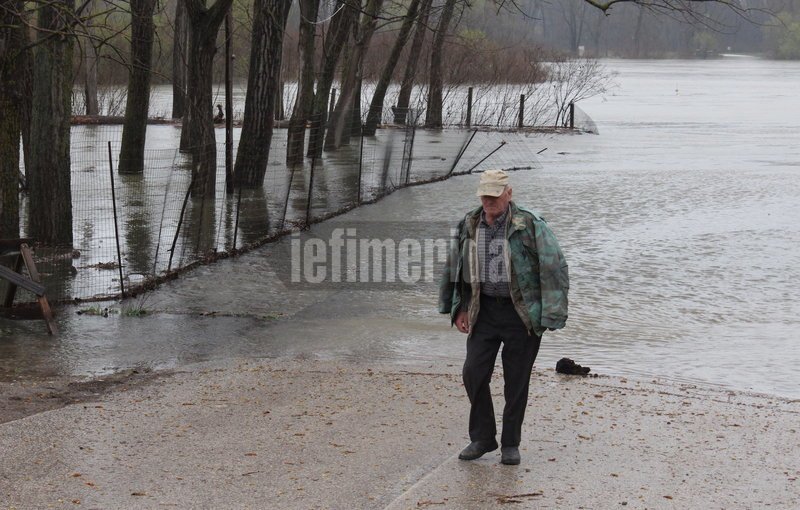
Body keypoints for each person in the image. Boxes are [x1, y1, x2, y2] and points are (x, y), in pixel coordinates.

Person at [439, 169, 569, 465]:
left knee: (516, 381)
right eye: (484, 194)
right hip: (483, 311)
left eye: (495, 194)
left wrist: (551, 314)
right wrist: (458, 307)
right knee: (473, 372)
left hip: (520, 314)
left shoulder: (530, 224)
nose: (489, 200)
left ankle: (510, 443)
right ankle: (483, 437)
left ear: (508, 193)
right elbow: (455, 266)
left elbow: (554, 269)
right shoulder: (469, 223)